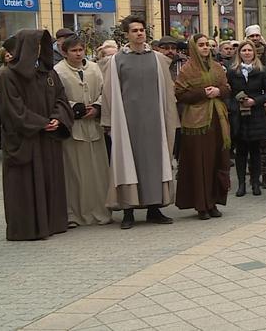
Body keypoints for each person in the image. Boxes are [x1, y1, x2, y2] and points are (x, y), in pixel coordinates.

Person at [100, 16, 180, 230]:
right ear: (126, 34)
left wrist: (170, 119)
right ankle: (128, 211)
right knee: (128, 163)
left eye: (142, 30)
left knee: (155, 162)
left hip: (155, 120)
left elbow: (168, 90)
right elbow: (108, 93)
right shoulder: (116, 60)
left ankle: (154, 208)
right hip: (128, 122)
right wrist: (108, 121)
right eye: (134, 30)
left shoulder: (157, 59)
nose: (139, 33)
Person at [0, 30, 73, 240]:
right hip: (25, 141)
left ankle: (52, 223)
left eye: (42, 45)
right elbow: (13, 110)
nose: (39, 49)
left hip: (47, 139)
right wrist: (41, 123)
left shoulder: (48, 73)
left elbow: (61, 98)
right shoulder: (8, 75)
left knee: (50, 180)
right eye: (35, 45)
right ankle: (27, 228)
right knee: (25, 185)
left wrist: (57, 118)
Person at [54, 35, 111, 227]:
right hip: (74, 128)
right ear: (65, 52)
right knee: (75, 173)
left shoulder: (94, 68)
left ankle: (101, 209)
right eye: (74, 51)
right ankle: (74, 214)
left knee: (98, 171)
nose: (78, 54)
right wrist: (75, 108)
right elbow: (56, 98)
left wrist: (97, 107)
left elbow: (106, 92)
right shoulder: (58, 71)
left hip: (94, 127)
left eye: (80, 50)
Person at [174, 34, 231, 220]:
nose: (205, 48)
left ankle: (213, 202)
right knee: (200, 163)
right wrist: (203, 93)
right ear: (193, 47)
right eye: (201, 45)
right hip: (196, 122)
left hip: (218, 119)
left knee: (216, 161)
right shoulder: (186, 70)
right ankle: (201, 205)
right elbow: (180, 94)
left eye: (207, 44)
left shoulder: (216, 67)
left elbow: (227, 88)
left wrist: (219, 91)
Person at [226, 40, 266, 196]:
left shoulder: (262, 70)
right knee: (241, 151)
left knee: (255, 151)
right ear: (239, 53)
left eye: (249, 50)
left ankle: (255, 183)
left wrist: (255, 101)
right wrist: (235, 104)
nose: (247, 53)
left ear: (254, 53)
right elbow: (228, 93)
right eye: (244, 50)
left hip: (256, 114)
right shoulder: (232, 71)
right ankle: (241, 184)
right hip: (238, 115)